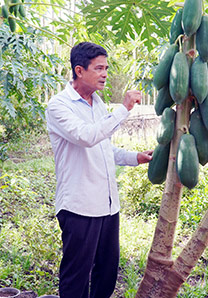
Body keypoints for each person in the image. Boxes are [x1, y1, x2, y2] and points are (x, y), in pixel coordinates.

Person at [46, 42, 153, 298]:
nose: (105, 73)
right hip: (79, 208)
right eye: (99, 68)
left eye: (106, 68)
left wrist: (135, 157)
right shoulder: (59, 106)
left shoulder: (97, 103)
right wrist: (124, 109)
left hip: (107, 207)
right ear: (79, 70)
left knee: (107, 273)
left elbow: (104, 148)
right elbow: (87, 137)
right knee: (77, 278)